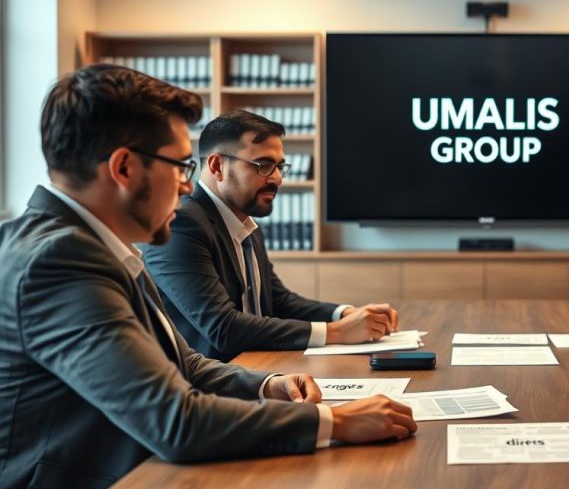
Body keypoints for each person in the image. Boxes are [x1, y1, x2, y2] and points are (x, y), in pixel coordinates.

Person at [0, 66, 416, 489]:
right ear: (123, 167)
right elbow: (176, 423)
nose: (186, 186)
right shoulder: (60, 261)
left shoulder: (98, 245)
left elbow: (185, 363)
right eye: (181, 166)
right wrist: (336, 423)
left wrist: (266, 384)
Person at [142, 110, 398, 361]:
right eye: (263, 165)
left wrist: (343, 314)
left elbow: (278, 302)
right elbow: (223, 328)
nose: (277, 178)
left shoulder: (246, 225)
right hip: (210, 389)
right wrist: (335, 332)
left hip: (261, 371)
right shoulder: (181, 225)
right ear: (217, 166)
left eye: (279, 166)